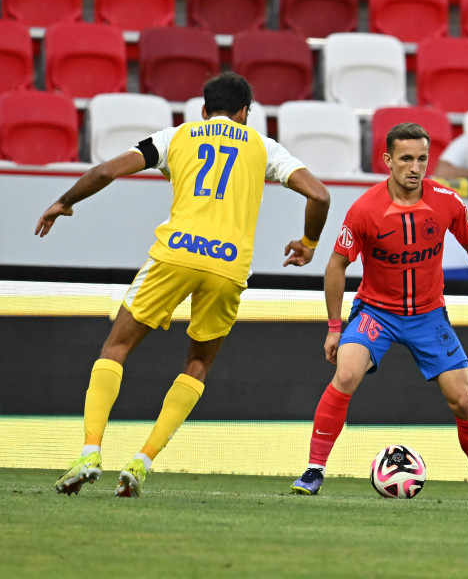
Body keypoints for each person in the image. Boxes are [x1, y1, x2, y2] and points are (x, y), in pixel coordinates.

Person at [36, 71, 330, 497]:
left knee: (115, 347)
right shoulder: (264, 147)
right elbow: (319, 195)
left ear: (204, 110)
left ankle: (90, 451)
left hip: (174, 256)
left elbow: (106, 170)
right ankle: (142, 461)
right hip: (228, 268)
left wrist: (65, 201)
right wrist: (307, 243)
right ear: (246, 113)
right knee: (197, 365)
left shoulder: (177, 137)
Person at [291, 122, 468, 502]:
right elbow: (336, 266)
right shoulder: (365, 209)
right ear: (387, 161)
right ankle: (313, 471)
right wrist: (335, 327)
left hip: (429, 316)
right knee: (346, 373)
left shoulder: (447, 201)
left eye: (421, 158)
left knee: (463, 400)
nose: (415, 167)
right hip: (376, 313)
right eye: (406, 159)